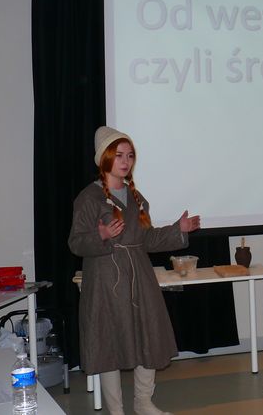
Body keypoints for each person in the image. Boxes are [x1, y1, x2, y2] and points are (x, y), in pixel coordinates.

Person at [69, 126, 201, 415]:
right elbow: (76, 243)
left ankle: (143, 403)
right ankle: (116, 411)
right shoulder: (88, 198)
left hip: (140, 277)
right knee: (109, 343)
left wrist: (178, 230)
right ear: (104, 158)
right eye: (119, 155)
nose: (125, 161)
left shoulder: (136, 197)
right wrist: (101, 235)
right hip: (106, 280)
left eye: (130, 155)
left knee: (148, 335)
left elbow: (148, 239)